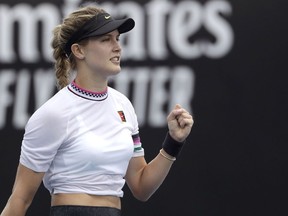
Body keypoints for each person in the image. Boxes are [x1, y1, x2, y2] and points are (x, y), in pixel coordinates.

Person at [0, 5, 194, 216]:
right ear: (79, 50)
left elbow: (141, 186)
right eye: (105, 39)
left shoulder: (123, 105)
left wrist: (173, 142)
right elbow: (20, 199)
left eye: (117, 39)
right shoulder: (53, 113)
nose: (117, 47)